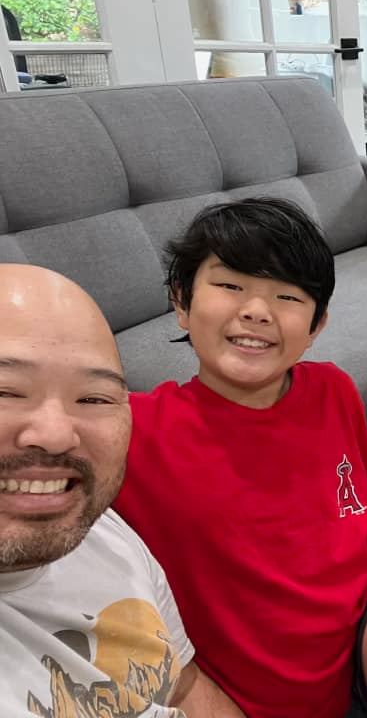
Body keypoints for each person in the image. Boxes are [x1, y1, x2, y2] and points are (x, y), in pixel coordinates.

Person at [113, 199, 367, 718]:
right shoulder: (132, 429)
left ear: (316, 324)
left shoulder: (332, 389)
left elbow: (361, 525)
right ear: (182, 301)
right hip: (254, 691)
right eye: (230, 285)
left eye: (287, 296)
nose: (257, 311)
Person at [0, 264, 241, 717]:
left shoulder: (101, 529)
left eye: (93, 398)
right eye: (5, 391)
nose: (55, 434)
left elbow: (182, 686)